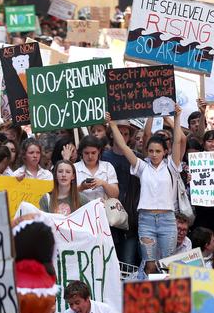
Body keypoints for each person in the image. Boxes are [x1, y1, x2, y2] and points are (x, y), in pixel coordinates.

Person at [107, 106, 183, 274]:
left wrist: (177, 118)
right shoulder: (142, 166)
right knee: (149, 265)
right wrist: (112, 124)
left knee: (166, 265)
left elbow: (177, 141)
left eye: (158, 151)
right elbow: (124, 147)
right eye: (151, 151)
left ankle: (167, 299)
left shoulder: (172, 166)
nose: (154, 154)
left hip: (167, 220)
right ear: (147, 152)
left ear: (165, 152)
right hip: (146, 220)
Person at [102, 119, 141, 267]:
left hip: (129, 219)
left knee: (127, 264)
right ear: (111, 135)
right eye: (119, 132)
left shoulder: (136, 158)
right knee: (109, 263)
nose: (122, 136)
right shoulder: (103, 157)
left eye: (126, 133)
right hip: (108, 217)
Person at [75, 135, 119, 201]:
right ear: (81, 152)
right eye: (86, 153)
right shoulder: (74, 167)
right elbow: (66, 193)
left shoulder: (107, 166)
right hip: (81, 209)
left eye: (93, 153)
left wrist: (103, 183)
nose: (90, 156)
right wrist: (82, 187)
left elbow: (115, 195)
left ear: (99, 151)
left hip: (104, 209)